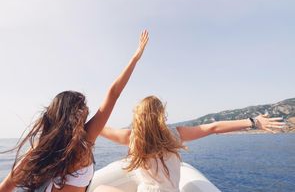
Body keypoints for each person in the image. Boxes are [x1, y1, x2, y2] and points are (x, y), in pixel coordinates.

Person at [0, 30, 149, 192]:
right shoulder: (84, 142)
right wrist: (135, 58)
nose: (86, 111)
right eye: (83, 109)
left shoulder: (39, 149)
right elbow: (113, 94)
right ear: (76, 115)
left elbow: (6, 186)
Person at [96, 95, 284, 192]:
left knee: (100, 189)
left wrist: (80, 123)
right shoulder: (174, 135)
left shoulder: (131, 137)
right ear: (161, 115)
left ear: (137, 117)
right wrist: (253, 121)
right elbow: (214, 127)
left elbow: (102, 129)